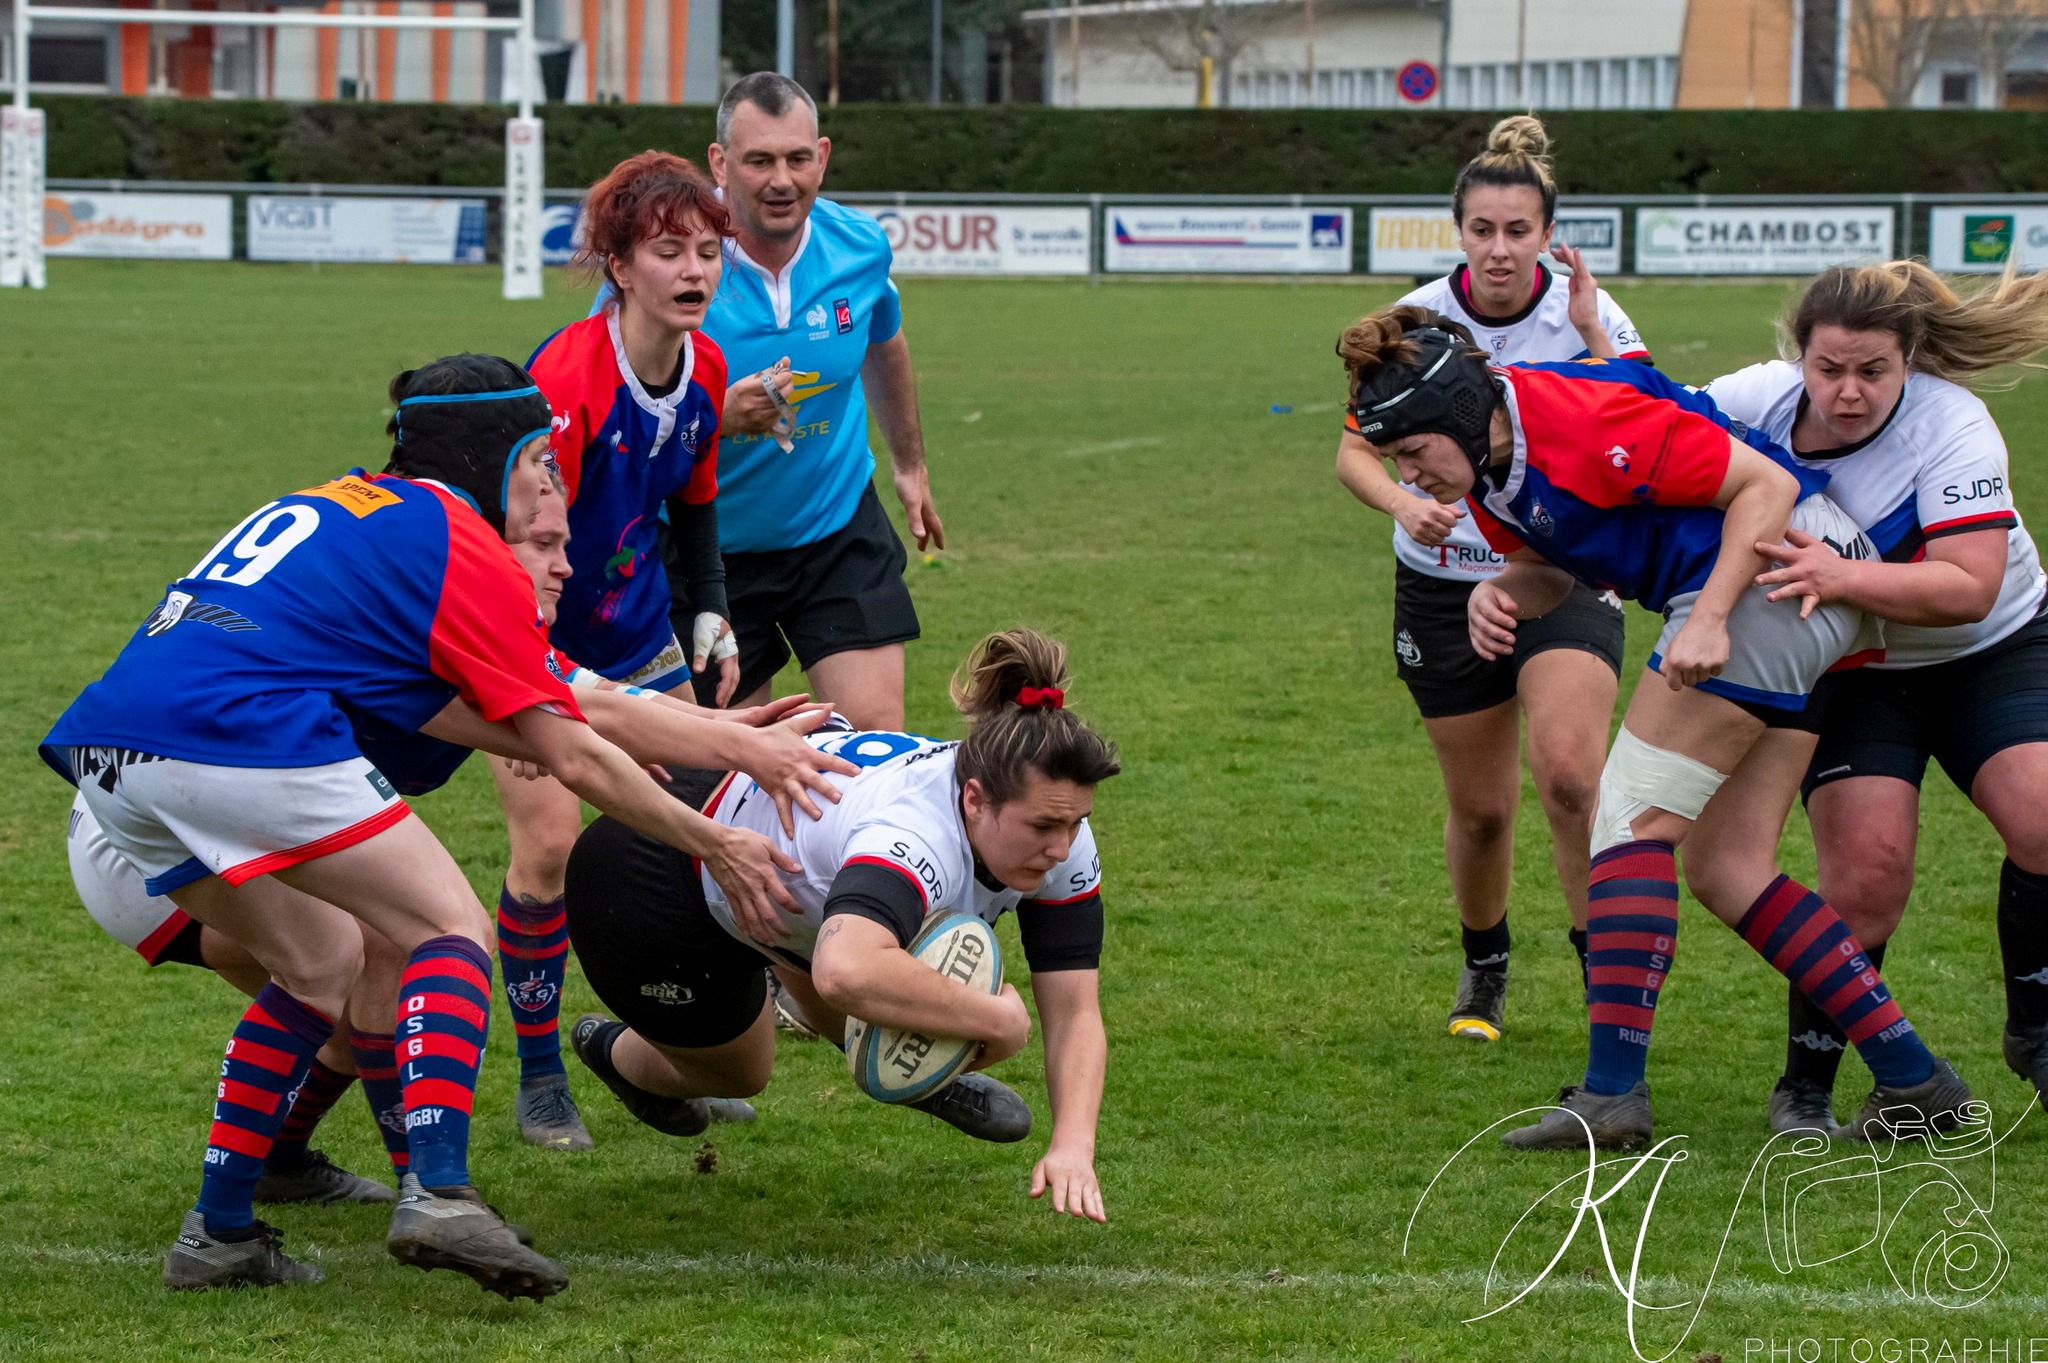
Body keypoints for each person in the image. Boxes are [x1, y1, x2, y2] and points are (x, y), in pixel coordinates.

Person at [39, 355, 831, 1297]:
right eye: (539, 468)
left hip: (117, 751)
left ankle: (218, 1233)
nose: (552, 512)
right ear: (496, 460)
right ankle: (441, 1190)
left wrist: (718, 736)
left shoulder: (364, 514)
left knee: (326, 962)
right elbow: (574, 747)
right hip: (231, 732)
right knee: (446, 929)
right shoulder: (453, 535)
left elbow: (572, 711)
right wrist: (718, 840)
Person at [1336, 304, 1972, 1150]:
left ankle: (1611, 1095)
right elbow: (1546, 573)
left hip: (1775, 574)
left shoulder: (1575, 416)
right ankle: (1915, 1078)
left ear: (1455, 413)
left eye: (1413, 453)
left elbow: (1767, 486)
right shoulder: (1490, 472)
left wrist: (1709, 618)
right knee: (1729, 865)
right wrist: (1499, 593)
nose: (1410, 478)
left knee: (1627, 824)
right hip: (1791, 589)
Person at [560, 628, 1119, 1222]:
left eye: (1075, 822)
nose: (1062, 847)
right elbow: (844, 970)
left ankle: (923, 1067)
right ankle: (614, 1052)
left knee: (879, 961)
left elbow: (1077, 1009)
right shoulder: (912, 837)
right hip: (652, 877)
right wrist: (996, 1020)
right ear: (975, 799)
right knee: (741, 1073)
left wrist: (1073, 1148)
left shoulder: (1056, 831)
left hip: (782, 872)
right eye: (1043, 828)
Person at [1693, 262, 2048, 1131]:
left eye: (1873, 372)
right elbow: (1644, 433)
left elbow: (1968, 585)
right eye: (1828, 369)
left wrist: (1841, 573)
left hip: (1992, 648)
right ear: (1798, 357)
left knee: (2043, 817)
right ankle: (1808, 1085)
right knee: (1866, 877)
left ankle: (2037, 1032)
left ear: (1910, 361)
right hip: (1857, 669)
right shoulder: (1755, 398)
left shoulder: (1953, 423)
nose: (1847, 392)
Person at [1335, 114, 1646, 1043]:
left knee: (1569, 780)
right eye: (1483, 230)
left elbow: (1647, 429)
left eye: (1519, 231)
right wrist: (1402, 504)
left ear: (1548, 234)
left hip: (1561, 573)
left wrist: (1593, 335)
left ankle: (1607, 992)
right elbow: (1353, 455)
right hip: (1439, 585)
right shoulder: (1416, 317)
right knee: (1480, 812)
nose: (1501, 249)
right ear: (1459, 232)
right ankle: (1485, 971)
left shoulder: (1589, 312)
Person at [503, 150, 739, 1150]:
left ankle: (661, 1041)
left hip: (644, 641)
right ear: (617, 265)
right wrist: (516, 676)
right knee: (549, 849)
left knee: (693, 840)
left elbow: (693, 508)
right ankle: (540, 1072)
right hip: (538, 641)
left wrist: (711, 614)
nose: (694, 271)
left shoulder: (709, 369)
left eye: (706, 251)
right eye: (667, 251)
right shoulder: (566, 375)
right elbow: (511, 526)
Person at [682, 71, 941, 729]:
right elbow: (612, 407)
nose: (782, 180)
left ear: (821, 156)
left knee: (878, 747)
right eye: (759, 160)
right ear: (719, 163)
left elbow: (884, 340)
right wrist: (715, 417)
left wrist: (909, 464)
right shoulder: (672, 260)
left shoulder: (859, 247)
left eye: (798, 159)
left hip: (833, 530)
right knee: (728, 774)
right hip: (708, 552)